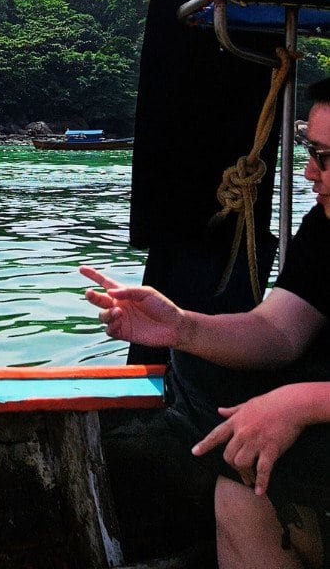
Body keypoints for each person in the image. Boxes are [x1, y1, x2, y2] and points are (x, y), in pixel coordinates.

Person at [82, 76, 330, 569]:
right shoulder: (326, 229)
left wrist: (302, 403)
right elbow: (278, 331)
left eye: (325, 156)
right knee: (204, 378)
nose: (308, 173)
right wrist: (181, 328)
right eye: (310, 150)